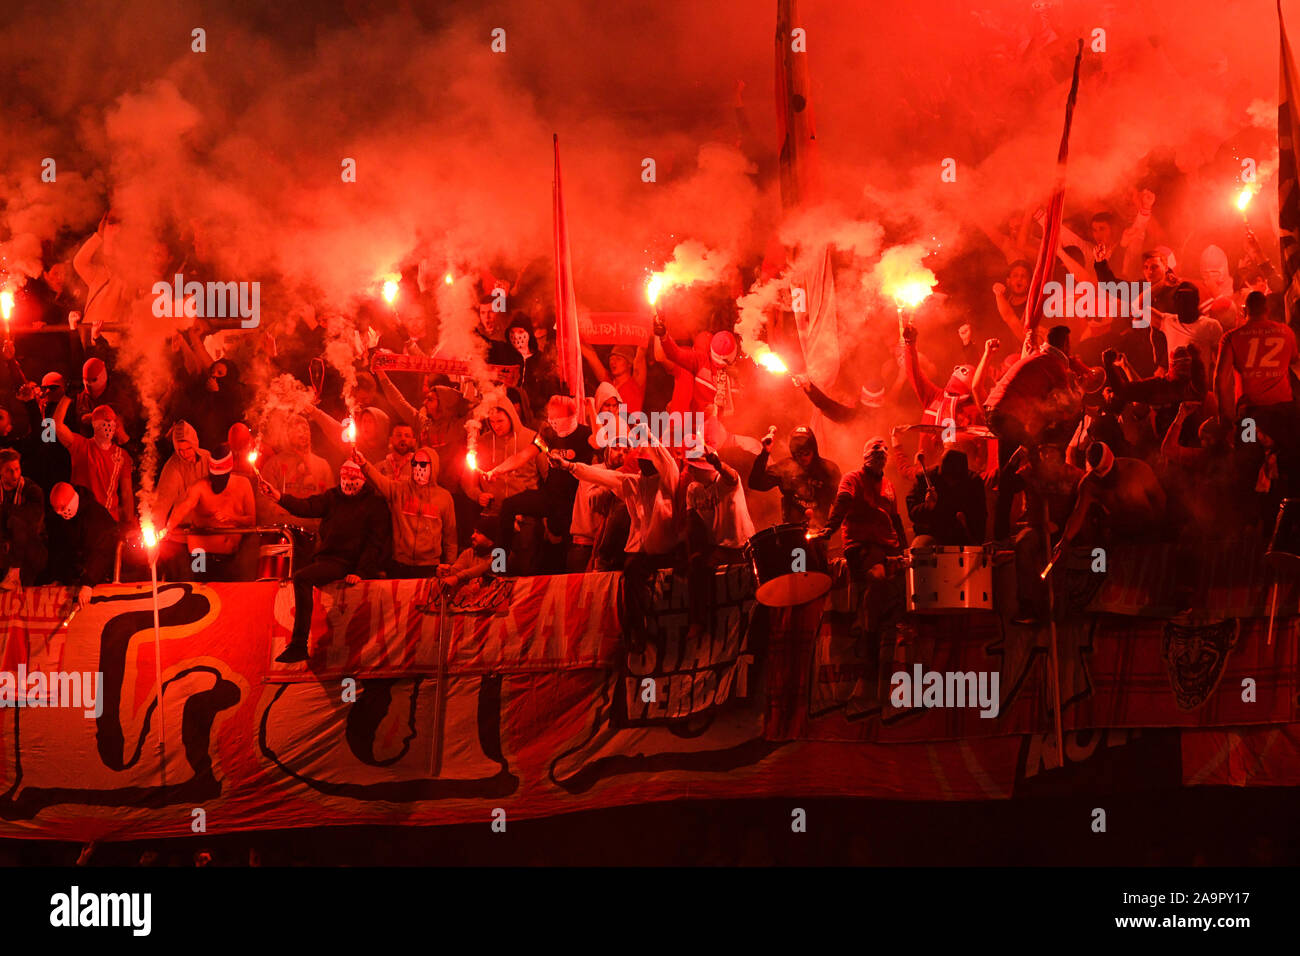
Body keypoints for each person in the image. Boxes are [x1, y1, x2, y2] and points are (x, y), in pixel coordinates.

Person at [550, 433, 679, 648]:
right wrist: (568, 466)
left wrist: (647, 434)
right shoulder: (634, 483)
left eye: (649, 462)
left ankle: (671, 634)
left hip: (667, 553)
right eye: (642, 462)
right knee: (630, 575)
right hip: (641, 555)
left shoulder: (668, 481)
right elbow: (598, 476)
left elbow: (667, 462)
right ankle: (637, 635)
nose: (645, 466)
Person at [260, 459, 392, 663]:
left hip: (348, 562)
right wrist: (279, 497)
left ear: (363, 480)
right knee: (302, 577)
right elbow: (308, 506)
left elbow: (374, 542)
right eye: (345, 478)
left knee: (302, 578)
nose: (348, 482)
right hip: (328, 558)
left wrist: (362, 571)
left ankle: (298, 644)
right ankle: (298, 645)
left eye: (353, 478)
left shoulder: (374, 504)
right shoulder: (333, 497)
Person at [811, 437, 907, 643]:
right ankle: (867, 629)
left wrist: (905, 549)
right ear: (865, 456)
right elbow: (842, 502)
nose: (881, 453)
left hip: (888, 545)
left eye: (884, 451)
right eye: (875, 450)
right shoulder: (852, 478)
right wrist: (830, 527)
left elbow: (895, 519)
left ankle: (888, 626)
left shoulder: (889, 485)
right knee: (877, 577)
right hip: (862, 543)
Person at [1215, 290, 1300, 493]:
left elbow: (1221, 382)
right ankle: (1286, 516)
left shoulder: (1232, 338)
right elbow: (1296, 364)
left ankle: (1253, 520)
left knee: (1247, 466)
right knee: (1289, 469)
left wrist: (1225, 421)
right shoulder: (1286, 333)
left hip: (1250, 416)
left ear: (1245, 311)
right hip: (1284, 414)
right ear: (1267, 309)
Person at [1053, 441, 1167, 562]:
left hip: (1149, 533)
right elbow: (1078, 514)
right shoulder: (1089, 484)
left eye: (1108, 472)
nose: (1105, 478)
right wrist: (1064, 540)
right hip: (1120, 536)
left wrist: (1160, 536)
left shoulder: (1137, 469)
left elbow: (1160, 500)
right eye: (1099, 473)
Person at [161, 445, 258, 581]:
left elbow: (251, 521)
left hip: (231, 555)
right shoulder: (199, 487)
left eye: (221, 477)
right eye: (214, 477)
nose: (216, 481)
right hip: (199, 554)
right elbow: (184, 506)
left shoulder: (243, 484)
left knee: (228, 595)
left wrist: (232, 517)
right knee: (200, 590)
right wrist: (168, 527)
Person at [358, 446, 457, 578]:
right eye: (414, 463)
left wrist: (450, 565)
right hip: (400, 564)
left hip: (429, 566)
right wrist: (364, 465)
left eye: (422, 464)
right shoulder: (399, 490)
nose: (418, 467)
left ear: (433, 466)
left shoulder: (444, 497)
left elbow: (450, 536)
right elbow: (380, 482)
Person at [53, 399, 133, 526]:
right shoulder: (80, 445)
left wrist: (129, 523)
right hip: (81, 518)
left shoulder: (122, 455)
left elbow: (127, 492)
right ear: (94, 425)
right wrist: (67, 397)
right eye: (103, 423)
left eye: (110, 423)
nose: (107, 427)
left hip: (108, 521)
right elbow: (56, 425)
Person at [747, 425, 841, 530]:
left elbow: (839, 504)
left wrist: (831, 528)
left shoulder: (828, 470)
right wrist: (765, 452)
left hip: (820, 532)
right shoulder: (784, 468)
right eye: (798, 453)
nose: (802, 457)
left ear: (813, 450)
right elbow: (755, 483)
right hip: (792, 533)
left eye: (806, 453)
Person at [45, 481, 118, 606]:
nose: (59, 513)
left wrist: (88, 583)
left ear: (72, 500)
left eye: (62, 508)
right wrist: (57, 577)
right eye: (55, 509)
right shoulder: (60, 519)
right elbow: (59, 549)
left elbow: (101, 552)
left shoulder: (96, 517)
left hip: (99, 577)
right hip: (75, 579)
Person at [905, 447, 987, 547]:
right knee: (922, 543)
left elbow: (981, 517)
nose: (951, 482)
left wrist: (971, 530)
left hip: (961, 538)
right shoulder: (924, 478)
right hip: (931, 537)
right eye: (948, 477)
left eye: (955, 479)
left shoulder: (973, 482)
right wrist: (928, 506)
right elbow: (913, 513)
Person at [0, 449, 47, 589]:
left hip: (32, 551)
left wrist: (5, 511)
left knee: (16, 521)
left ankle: (15, 575)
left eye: (17, 469)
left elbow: (30, 523)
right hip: (6, 549)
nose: (15, 475)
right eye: (9, 471)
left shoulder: (32, 491)